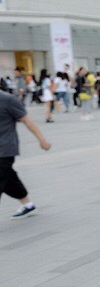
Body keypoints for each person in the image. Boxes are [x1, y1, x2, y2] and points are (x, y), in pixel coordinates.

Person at [0, 78, 51, 217]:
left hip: (5, 149)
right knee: (10, 180)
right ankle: (28, 205)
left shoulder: (8, 100)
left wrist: (42, 140)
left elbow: (28, 121)